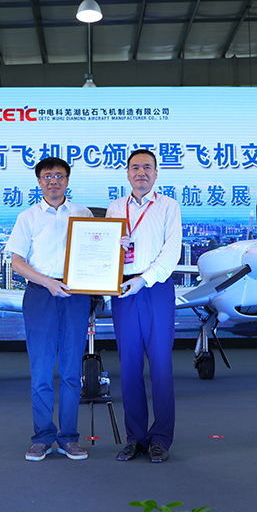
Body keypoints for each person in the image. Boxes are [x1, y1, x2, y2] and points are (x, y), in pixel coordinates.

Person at [5, 157, 92, 461]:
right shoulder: (27, 217)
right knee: (41, 370)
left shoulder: (83, 214)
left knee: (71, 371)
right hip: (40, 295)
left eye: (59, 175)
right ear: (39, 182)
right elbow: (17, 262)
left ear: (67, 180)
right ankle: (42, 437)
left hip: (75, 296)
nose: (53, 181)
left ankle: (68, 438)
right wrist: (47, 282)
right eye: (47, 176)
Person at [107, 149, 182, 463]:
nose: (141, 173)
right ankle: (135, 438)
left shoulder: (168, 206)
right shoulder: (115, 207)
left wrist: (144, 279)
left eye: (147, 168)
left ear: (156, 173)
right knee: (129, 367)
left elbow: (171, 253)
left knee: (161, 366)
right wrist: (114, 247)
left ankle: (161, 439)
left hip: (155, 289)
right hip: (123, 290)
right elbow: (105, 250)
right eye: (135, 168)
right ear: (127, 174)